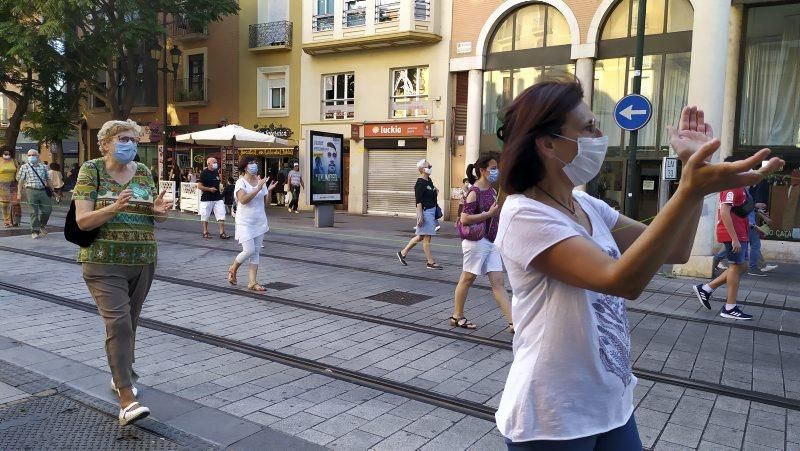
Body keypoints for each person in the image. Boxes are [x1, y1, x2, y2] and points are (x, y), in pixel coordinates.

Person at [492, 80, 782, 450]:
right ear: (548, 144)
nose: (600, 136)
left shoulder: (586, 206)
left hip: (610, 400)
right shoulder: (524, 215)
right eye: (588, 128)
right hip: (553, 415)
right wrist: (692, 188)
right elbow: (621, 280)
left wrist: (693, 178)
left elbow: (675, 250)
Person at [73, 119, 170, 426]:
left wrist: (158, 211)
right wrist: (113, 208)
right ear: (105, 143)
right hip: (103, 262)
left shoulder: (142, 172)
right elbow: (83, 221)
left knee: (130, 324)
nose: (131, 145)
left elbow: (151, 215)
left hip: (142, 260)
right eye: (124, 139)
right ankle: (127, 399)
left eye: (134, 140)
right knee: (119, 325)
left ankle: (119, 377)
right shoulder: (91, 170)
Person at [450, 155, 513, 331]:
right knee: (468, 278)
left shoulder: (493, 191)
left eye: (497, 167)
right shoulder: (474, 192)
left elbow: (496, 214)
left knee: (498, 282)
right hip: (476, 241)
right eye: (493, 168)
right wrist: (488, 214)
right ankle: (457, 316)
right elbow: (464, 218)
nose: (496, 171)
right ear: (483, 170)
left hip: (491, 242)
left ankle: (513, 322)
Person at [693, 157, 757, 320]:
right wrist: (734, 238)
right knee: (736, 267)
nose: (749, 170)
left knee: (742, 266)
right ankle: (730, 307)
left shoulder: (740, 186)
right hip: (733, 233)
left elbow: (739, 209)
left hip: (740, 232)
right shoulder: (732, 186)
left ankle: (706, 288)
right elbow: (724, 212)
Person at [228, 156, 277, 292]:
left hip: (259, 221)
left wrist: (269, 190)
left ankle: (252, 282)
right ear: (245, 167)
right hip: (245, 222)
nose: (254, 165)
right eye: (251, 163)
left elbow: (266, 203)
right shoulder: (241, 183)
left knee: (256, 252)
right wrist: (258, 187)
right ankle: (233, 268)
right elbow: (243, 200)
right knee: (249, 250)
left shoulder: (259, 180)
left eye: (255, 163)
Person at [397, 159, 443, 270]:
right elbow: (418, 201)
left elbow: (434, 191)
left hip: (431, 211)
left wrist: (435, 191)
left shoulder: (429, 181)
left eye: (430, 166)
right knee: (427, 237)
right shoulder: (420, 183)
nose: (430, 167)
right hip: (426, 212)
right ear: (422, 169)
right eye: (428, 166)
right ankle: (430, 262)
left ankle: (402, 253)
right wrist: (420, 216)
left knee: (421, 236)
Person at [16, 149, 53, 239]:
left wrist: (52, 190)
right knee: (33, 212)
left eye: (33, 155)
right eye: (29, 155)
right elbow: (20, 181)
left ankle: (42, 225)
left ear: (38, 156)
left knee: (47, 210)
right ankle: (34, 231)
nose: (31, 157)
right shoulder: (24, 167)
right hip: (31, 190)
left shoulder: (44, 167)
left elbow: (48, 179)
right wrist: (19, 193)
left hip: (43, 190)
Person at [197, 157, 231, 239]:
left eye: (216, 162)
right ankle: (205, 232)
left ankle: (222, 232)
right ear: (208, 164)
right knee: (205, 215)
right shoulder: (204, 173)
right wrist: (209, 189)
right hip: (207, 198)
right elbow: (199, 186)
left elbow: (218, 182)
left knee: (221, 214)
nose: (216, 163)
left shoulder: (216, 172)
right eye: (214, 162)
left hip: (217, 197)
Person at [0, 146, 21, 227]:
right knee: (4, 204)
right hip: (1, 184)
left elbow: (18, 170)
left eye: (9, 153)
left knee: (16, 203)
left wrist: (19, 182)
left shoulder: (14, 161)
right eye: (5, 153)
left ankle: (16, 220)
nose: (7, 154)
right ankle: (6, 220)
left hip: (13, 184)